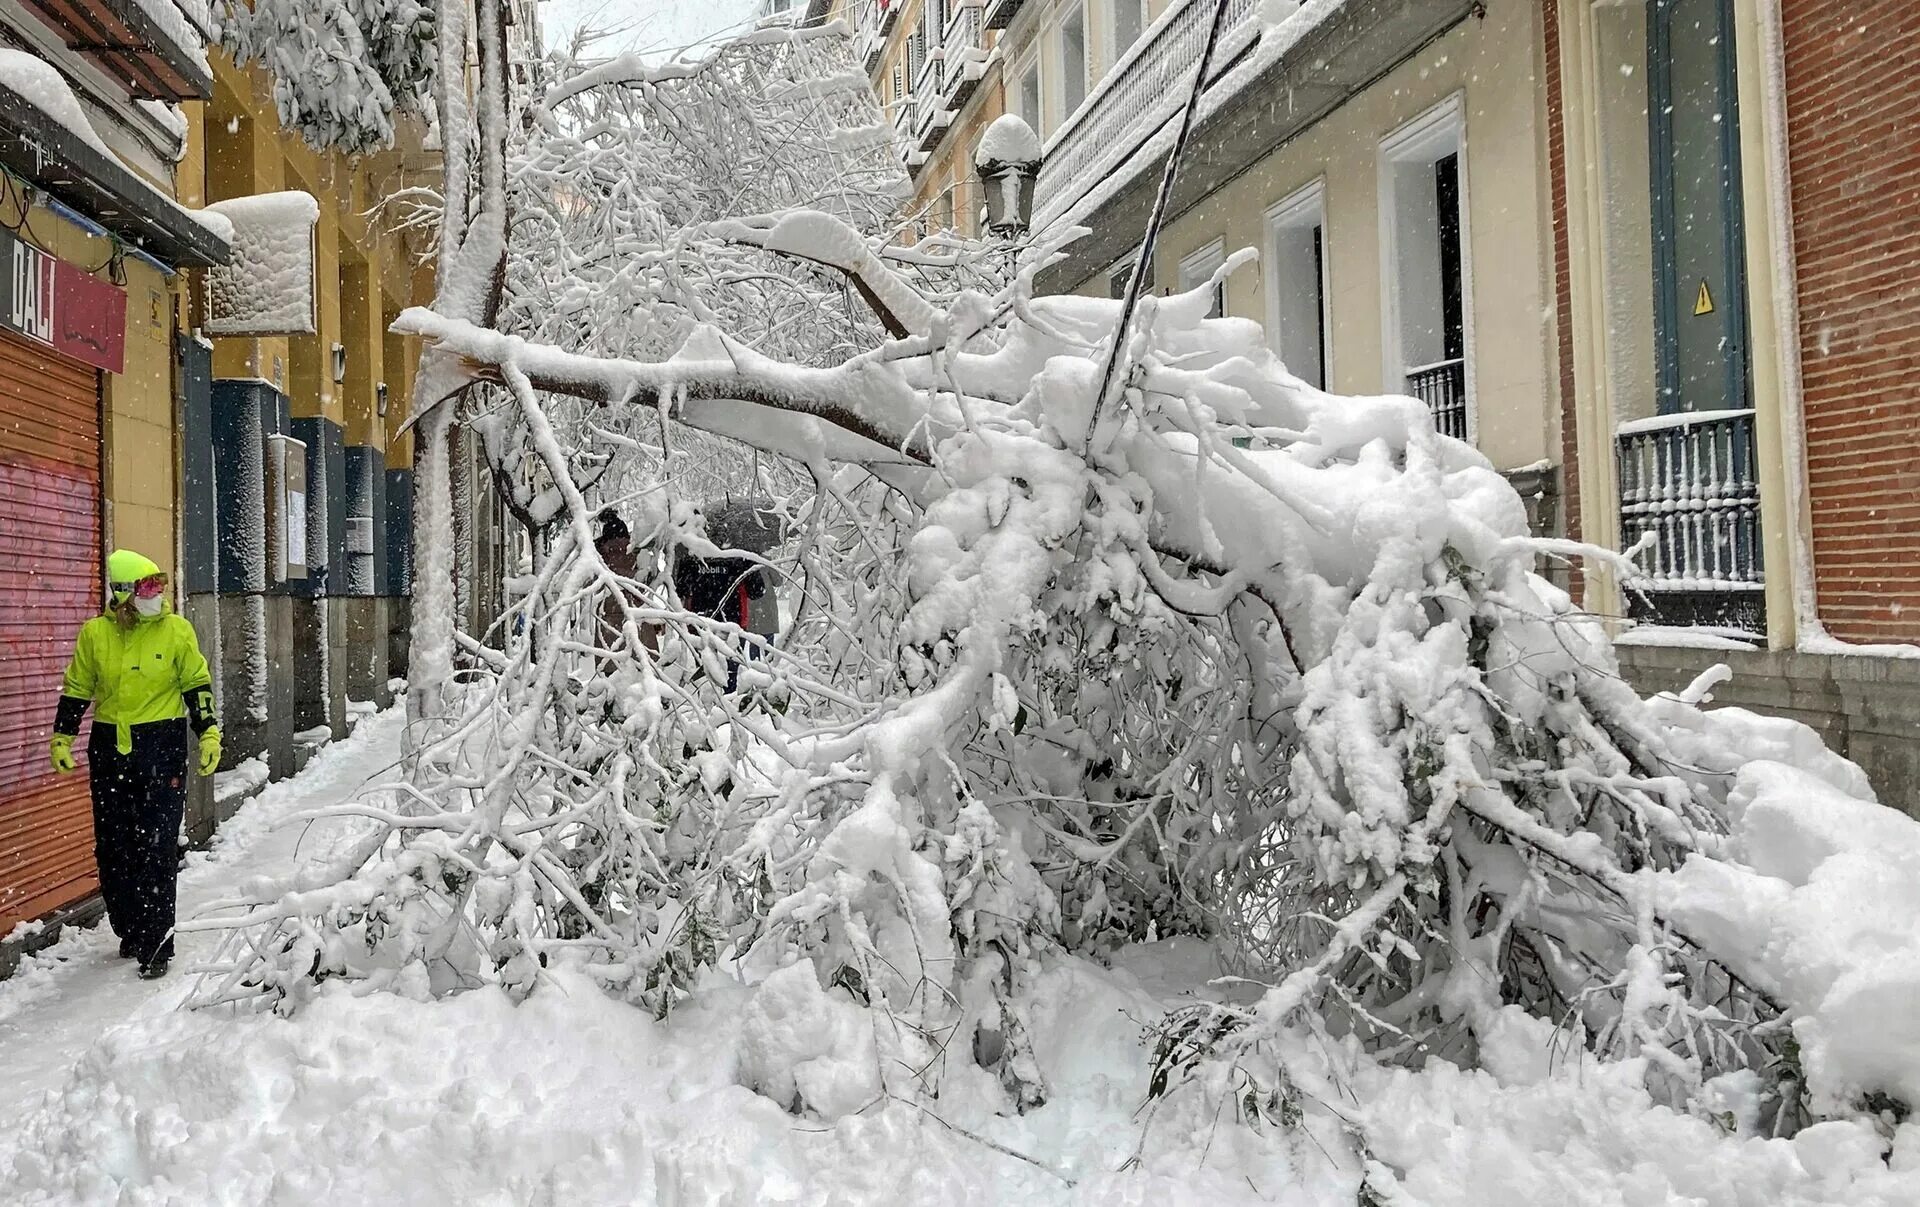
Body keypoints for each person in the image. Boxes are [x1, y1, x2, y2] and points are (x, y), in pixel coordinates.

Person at [48, 549, 220, 980]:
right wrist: (63, 734)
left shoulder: (176, 631)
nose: (156, 594)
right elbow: (78, 685)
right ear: (122, 593)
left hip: (161, 748)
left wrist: (209, 731)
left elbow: (196, 683)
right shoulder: (95, 635)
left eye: (159, 585)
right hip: (109, 749)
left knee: (158, 846)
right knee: (114, 847)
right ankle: (129, 926)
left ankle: (158, 941)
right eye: (146, 586)